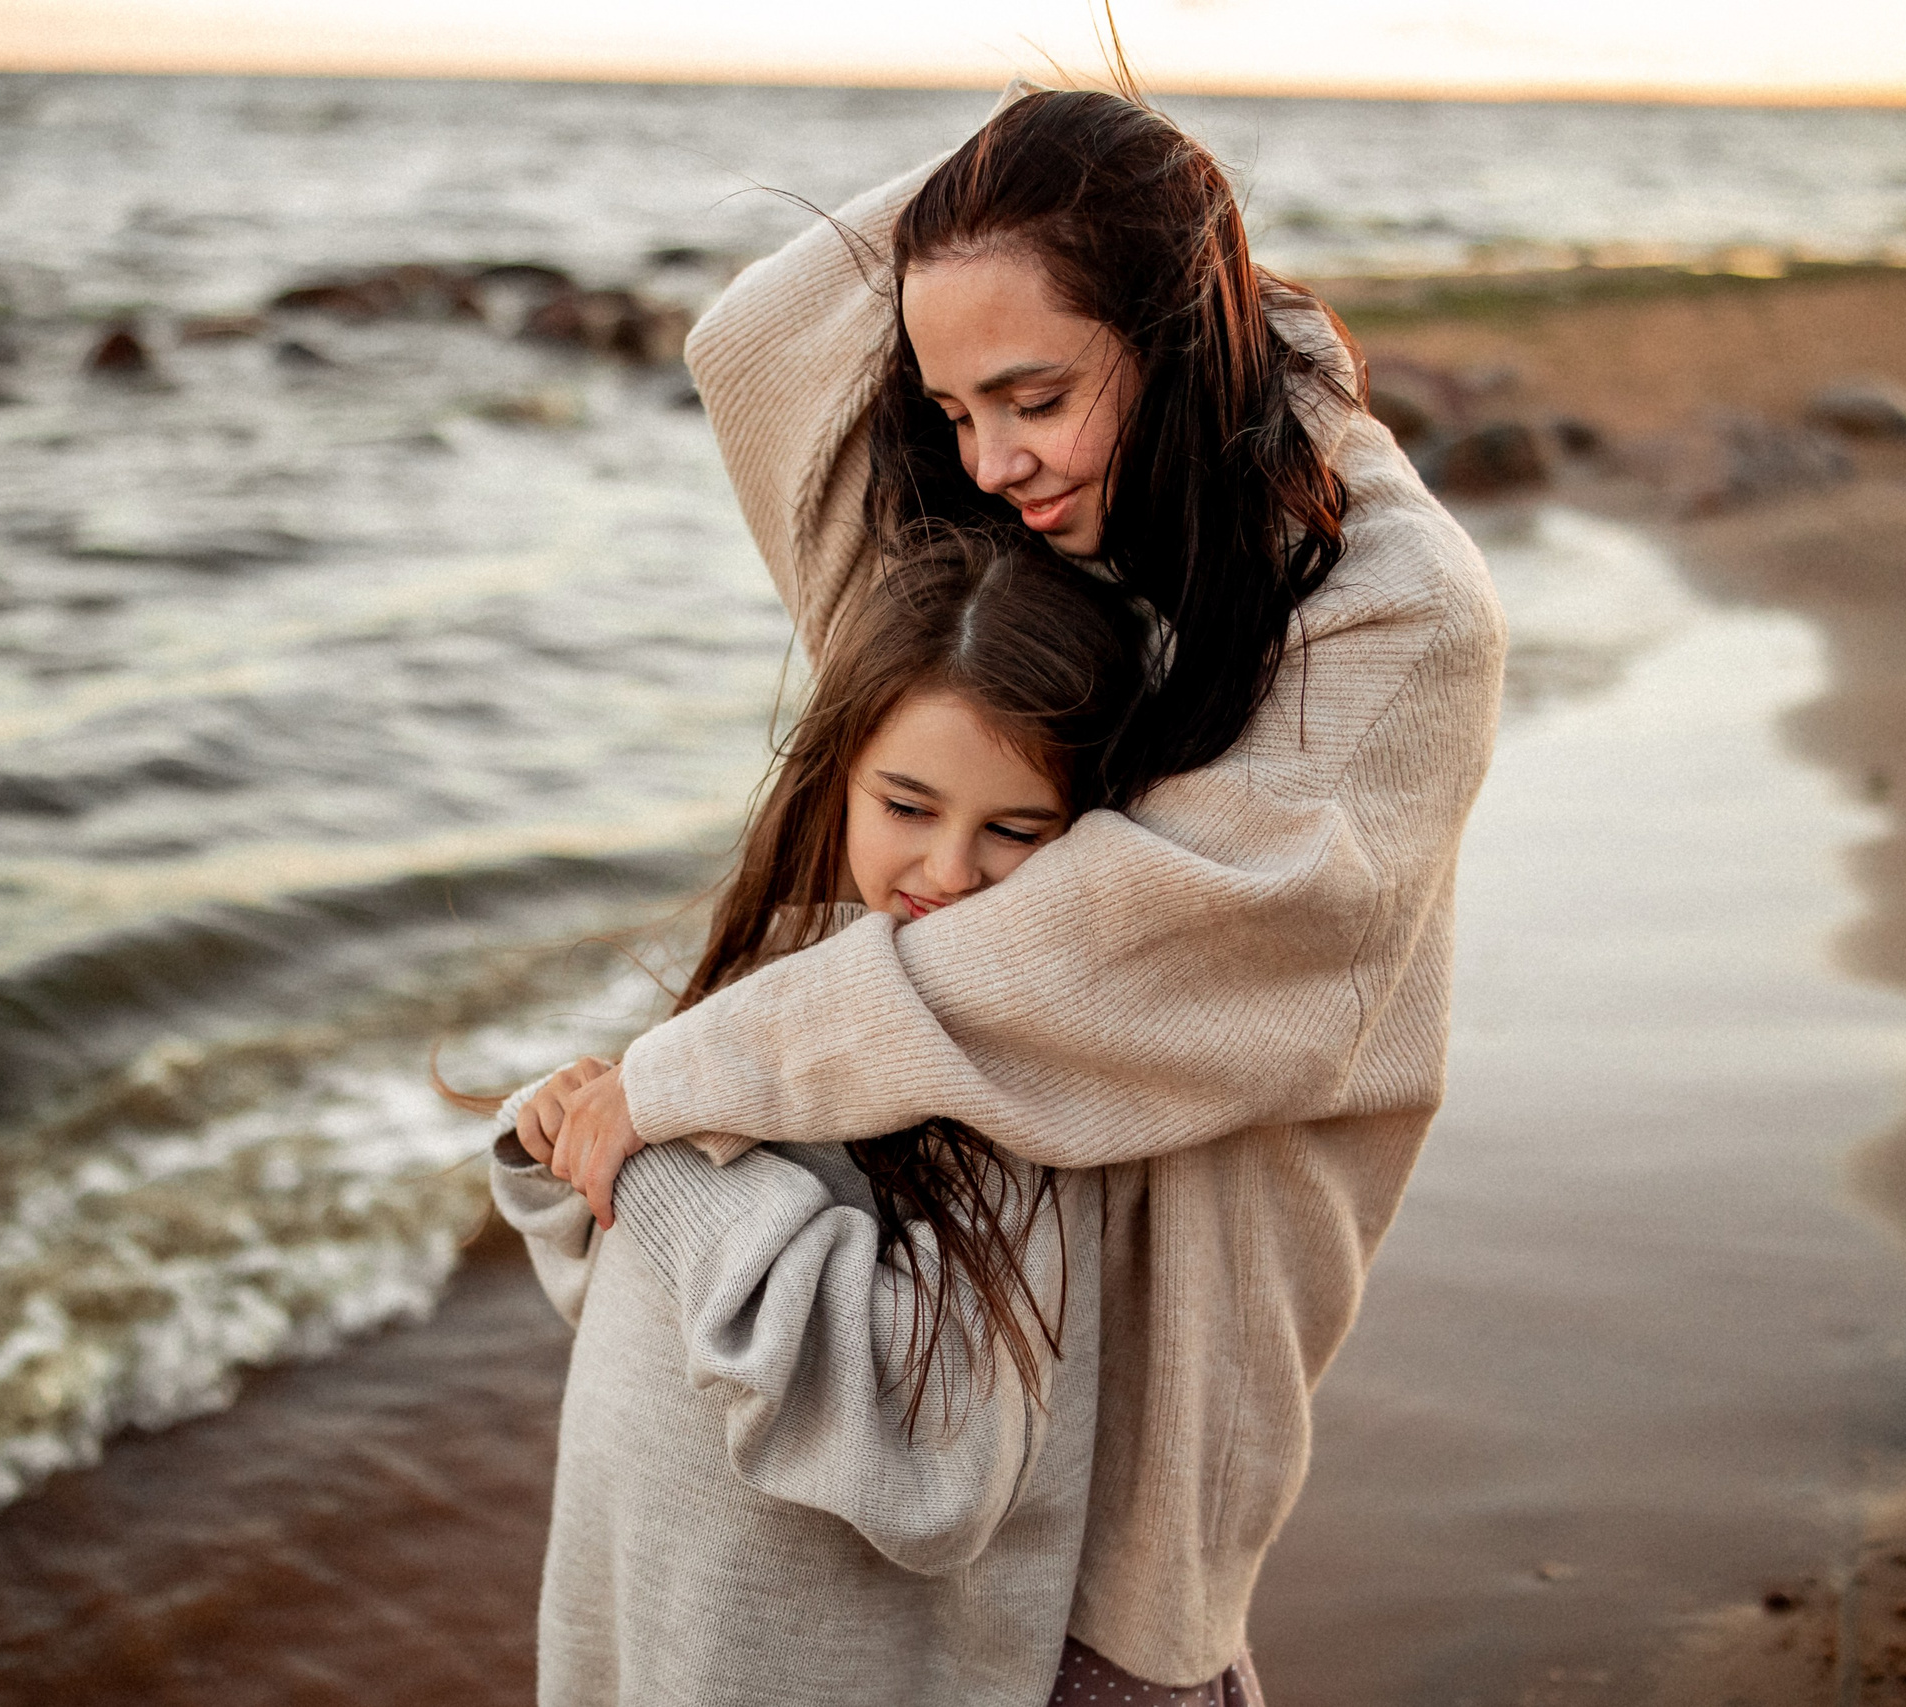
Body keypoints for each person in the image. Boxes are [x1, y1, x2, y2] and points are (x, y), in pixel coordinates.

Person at [544, 83, 1508, 1692]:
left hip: (1136, 1484)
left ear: (1176, 321)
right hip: (924, 1413)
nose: (990, 462)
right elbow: (754, 346)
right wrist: (1056, 159)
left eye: (1033, 392)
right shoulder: (1067, 528)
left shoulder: (1394, 618)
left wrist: (672, 1082)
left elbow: (1060, 964)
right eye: (953, 407)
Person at [485, 527, 1148, 1705]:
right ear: (838, 772)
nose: (946, 871)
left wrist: (666, 1178)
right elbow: (667, 1321)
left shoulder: (1017, 1078)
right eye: (906, 804)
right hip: (644, 1627)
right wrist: (570, 1149)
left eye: (1015, 830)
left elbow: (943, 1466)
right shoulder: (777, 981)